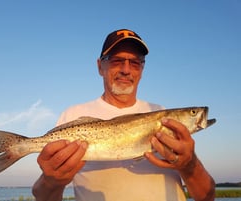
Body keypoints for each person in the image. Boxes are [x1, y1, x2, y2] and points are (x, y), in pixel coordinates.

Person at [32, 29, 215, 201]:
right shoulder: (73, 115)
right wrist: (52, 181)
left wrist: (189, 165)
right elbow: (42, 195)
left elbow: (207, 196)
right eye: (116, 61)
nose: (126, 70)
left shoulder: (161, 113)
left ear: (142, 70)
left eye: (135, 62)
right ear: (100, 66)